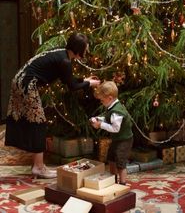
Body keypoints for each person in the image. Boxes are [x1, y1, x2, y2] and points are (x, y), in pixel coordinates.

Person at [5, 33, 100, 179]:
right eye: (85, 48)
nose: (86, 51)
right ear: (79, 49)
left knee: (36, 122)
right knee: (39, 123)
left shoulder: (62, 54)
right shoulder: (65, 61)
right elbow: (73, 86)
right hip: (26, 85)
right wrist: (89, 83)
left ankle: (38, 165)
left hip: (20, 81)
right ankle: (38, 167)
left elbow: (68, 80)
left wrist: (84, 80)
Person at [90, 81, 133, 185]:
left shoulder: (117, 111)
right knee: (111, 158)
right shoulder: (112, 107)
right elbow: (108, 118)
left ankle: (122, 183)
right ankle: (113, 180)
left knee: (120, 162)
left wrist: (100, 125)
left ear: (109, 98)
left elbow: (115, 128)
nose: (101, 102)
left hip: (124, 140)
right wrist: (98, 118)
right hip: (117, 139)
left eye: (102, 100)